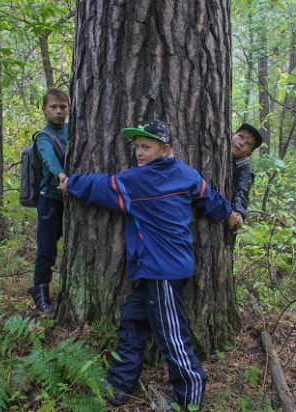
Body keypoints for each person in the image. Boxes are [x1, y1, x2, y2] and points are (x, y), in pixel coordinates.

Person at [58, 120, 241, 411]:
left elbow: (101, 187)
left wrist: (70, 183)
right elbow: (208, 198)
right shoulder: (185, 173)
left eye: (146, 147)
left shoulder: (138, 181)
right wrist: (229, 213)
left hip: (163, 271)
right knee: (133, 319)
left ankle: (189, 396)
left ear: (165, 149)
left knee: (171, 336)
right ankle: (119, 385)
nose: (139, 153)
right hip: (159, 268)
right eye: (137, 147)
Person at [28, 88, 70, 315]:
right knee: (46, 249)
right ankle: (41, 292)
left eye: (63, 107)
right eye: (53, 107)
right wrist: (61, 175)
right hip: (51, 201)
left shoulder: (73, 130)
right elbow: (48, 157)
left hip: (71, 200)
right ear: (44, 110)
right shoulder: (43, 137)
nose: (59, 111)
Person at [230, 123, 262, 232]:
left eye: (248, 144)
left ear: (249, 154)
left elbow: (242, 191)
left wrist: (238, 213)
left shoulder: (245, 169)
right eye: (241, 137)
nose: (242, 143)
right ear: (232, 135)